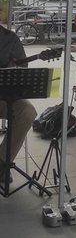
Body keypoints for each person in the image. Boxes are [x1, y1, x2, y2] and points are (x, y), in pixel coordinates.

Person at [0, 22, 37, 181]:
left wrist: (14, 69)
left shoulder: (10, 39)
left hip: (5, 97)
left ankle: (2, 163)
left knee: (28, 112)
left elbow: (23, 72)